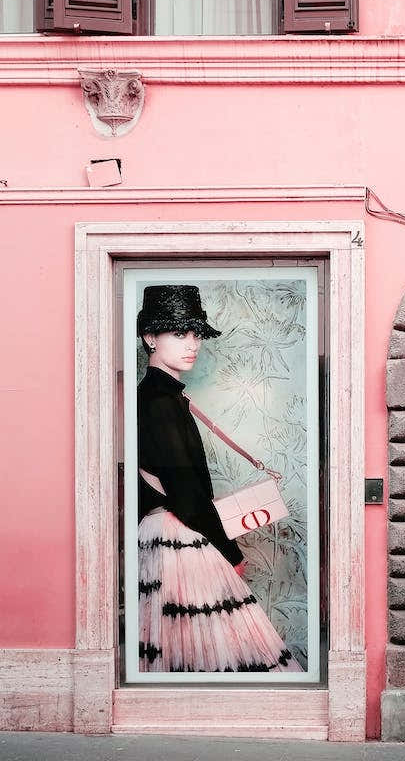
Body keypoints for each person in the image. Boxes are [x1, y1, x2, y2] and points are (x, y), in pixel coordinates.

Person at [136, 283, 301, 673]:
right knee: (217, 643)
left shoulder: (163, 397)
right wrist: (231, 552)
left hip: (170, 533)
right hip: (179, 535)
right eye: (179, 333)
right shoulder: (160, 402)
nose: (192, 343)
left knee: (184, 645)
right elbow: (185, 491)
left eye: (195, 334)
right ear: (149, 338)